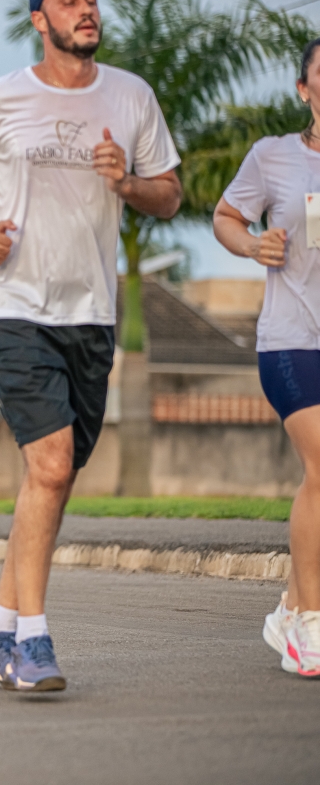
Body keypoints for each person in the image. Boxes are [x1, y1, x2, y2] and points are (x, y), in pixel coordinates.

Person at [0, 0, 181, 690]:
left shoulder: (131, 96)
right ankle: (31, 642)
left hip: (90, 313)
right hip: (12, 305)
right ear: (40, 18)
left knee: (54, 478)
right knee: (52, 466)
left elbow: (169, 193)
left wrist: (127, 183)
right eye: (67, 0)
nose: (85, 9)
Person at [212, 38, 320, 678]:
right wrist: (253, 245)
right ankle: (310, 625)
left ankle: (290, 608)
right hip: (291, 341)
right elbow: (226, 216)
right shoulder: (273, 157)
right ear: (304, 89)